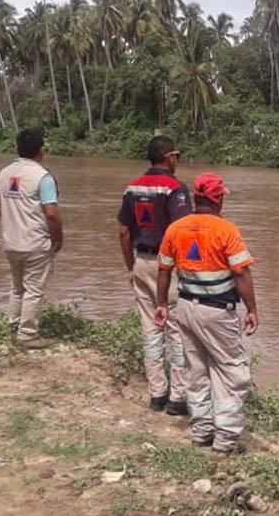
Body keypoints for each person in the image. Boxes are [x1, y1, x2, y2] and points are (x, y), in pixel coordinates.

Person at [155, 172, 258, 454]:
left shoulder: (176, 228)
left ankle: (201, 432)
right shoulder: (226, 230)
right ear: (217, 198)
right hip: (217, 312)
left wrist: (161, 304)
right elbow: (240, 271)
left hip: (185, 307)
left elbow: (163, 270)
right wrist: (252, 309)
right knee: (230, 372)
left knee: (196, 370)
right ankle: (226, 439)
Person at [118, 136, 193, 415]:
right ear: (168, 157)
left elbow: (124, 232)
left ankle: (156, 393)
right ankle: (178, 397)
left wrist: (130, 267)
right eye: (176, 155)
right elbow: (183, 232)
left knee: (150, 330)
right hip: (168, 267)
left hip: (141, 261)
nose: (177, 161)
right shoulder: (175, 188)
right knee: (176, 330)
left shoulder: (132, 187)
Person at [0, 128, 63, 349]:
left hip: (11, 241)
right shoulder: (43, 177)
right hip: (35, 242)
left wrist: (12, 223)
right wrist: (58, 238)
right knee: (34, 289)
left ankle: (15, 325)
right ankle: (28, 335)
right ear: (41, 151)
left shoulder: (4, 173)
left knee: (17, 287)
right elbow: (51, 213)